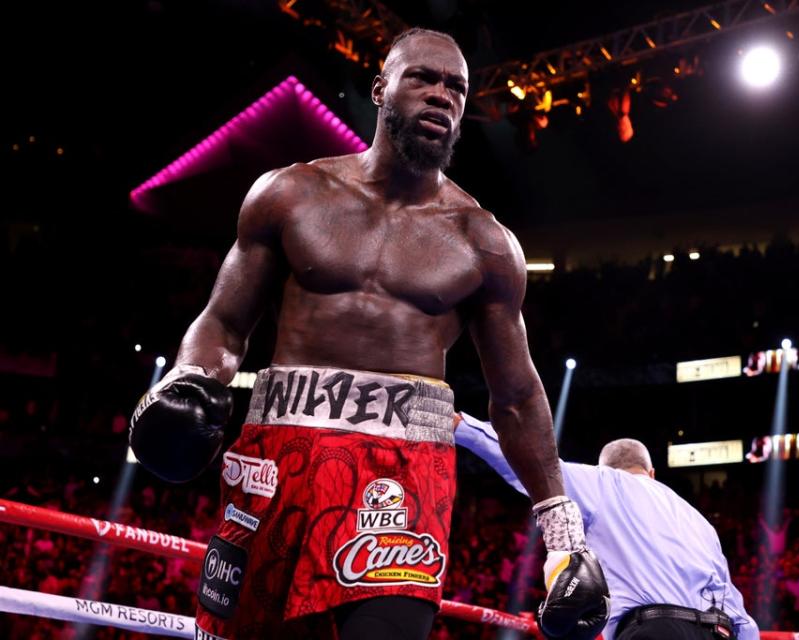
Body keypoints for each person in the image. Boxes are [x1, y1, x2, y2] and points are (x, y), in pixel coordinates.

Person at [129, 27, 608, 640]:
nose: (441, 96)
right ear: (381, 88)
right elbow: (224, 322)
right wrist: (191, 379)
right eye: (424, 79)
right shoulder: (290, 194)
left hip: (402, 479)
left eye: (456, 88)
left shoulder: (484, 242)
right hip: (277, 458)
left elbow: (516, 397)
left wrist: (563, 533)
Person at [455, 411, 761, 640]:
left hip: (655, 630)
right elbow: (739, 616)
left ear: (604, 468)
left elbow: (534, 463)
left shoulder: (603, 482)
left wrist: (462, 426)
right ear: (651, 472)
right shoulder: (699, 520)